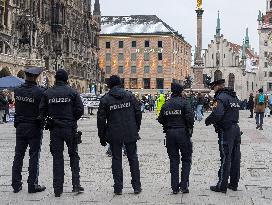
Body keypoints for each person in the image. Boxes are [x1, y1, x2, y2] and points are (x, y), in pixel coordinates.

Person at [39, 69, 84, 197]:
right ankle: (76, 184)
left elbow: (42, 110)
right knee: (73, 155)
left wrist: (51, 118)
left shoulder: (48, 93)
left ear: (56, 79)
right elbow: (80, 109)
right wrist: (72, 118)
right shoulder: (73, 92)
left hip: (55, 129)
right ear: (66, 79)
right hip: (70, 128)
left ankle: (58, 189)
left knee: (57, 158)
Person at [97, 75, 142, 195]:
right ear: (120, 84)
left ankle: (118, 188)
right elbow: (138, 112)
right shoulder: (130, 96)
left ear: (109, 86)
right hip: (130, 131)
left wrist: (102, 136)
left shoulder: (105, 99)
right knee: (133, 158)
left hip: (114, 133)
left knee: (116, 159)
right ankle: (136, 186)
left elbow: (101, 120)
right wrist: (136, 128)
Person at [12, 67, 46, 193]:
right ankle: (32, 184)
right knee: (34, 156)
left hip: (20, 126)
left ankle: (16, 184)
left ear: (26, 76)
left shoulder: (18, 90)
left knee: (18, 155)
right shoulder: (40, 92)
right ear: (36, 77)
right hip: (34, 127)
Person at [205, 79, 241, 193]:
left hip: (226, 130)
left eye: (213, 87)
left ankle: (222, 185)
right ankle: (234, 184)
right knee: (235, 158)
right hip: (236, 129)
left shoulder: (220, 98)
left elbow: (218, 113)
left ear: (217, 86)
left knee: (226, 157)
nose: (213, 90)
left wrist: (208, 120)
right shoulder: (233, 96)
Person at [158, 83, 194, 194]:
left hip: (170, 134)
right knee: (186, 159)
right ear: (180, 91)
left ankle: (174, 187)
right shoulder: (184, 102)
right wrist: (189, 129)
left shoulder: (166, 104)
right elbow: (190, 118)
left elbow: (160, 119)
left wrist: (168, 124)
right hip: (183, 133)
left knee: (173, 160)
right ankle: (184, 186)